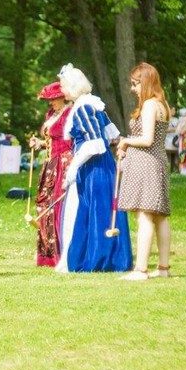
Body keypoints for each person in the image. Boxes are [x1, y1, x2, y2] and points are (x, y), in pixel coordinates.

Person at [55, 63, 132, 273]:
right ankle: (109, 258)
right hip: (102, 165)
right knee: (104, 208)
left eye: (63, 86)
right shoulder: (93, 104)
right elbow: (113, 136)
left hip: (94, 167)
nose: (61, 90)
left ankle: (97, 259)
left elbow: (93, 143)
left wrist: (73, 168)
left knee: (96, 209)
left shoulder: (83, 107)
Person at [117, 63, 173, 280]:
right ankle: (163, 268)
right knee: (160, 216)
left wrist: (125, 142)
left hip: (147, 162)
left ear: (146, 82)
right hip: (157, 161)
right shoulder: (163, 104)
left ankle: (141, 270)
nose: (133, 88)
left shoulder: (150, 105)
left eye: (135, 84)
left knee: (145, 214)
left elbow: (147, 138)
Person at [28, 81, 73, 267]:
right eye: (49, 100)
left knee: (56, 204)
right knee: (43, 204)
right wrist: (39, 143)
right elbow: (51, 141)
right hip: (50, 164)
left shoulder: (70, 113)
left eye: (53, 99)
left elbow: (70, 141)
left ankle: (61, 252)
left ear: (63, 96)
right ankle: (46, 253)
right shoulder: (51, 114)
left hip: (63, 163)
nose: (51, 103)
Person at [164, 107, 179, 171]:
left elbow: (178, 129)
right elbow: (165, 129)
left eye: (174, 110)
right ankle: (168, 169)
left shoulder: (176, 119)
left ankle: (174, 168)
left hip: (175, 140)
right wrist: (173, 129)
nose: (174, 111)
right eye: (172, 110)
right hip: (167, 140)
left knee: (175, 154)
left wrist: (171, 129)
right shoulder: (165, 119)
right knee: (168, 155)